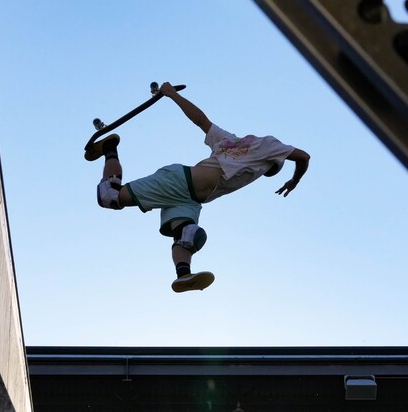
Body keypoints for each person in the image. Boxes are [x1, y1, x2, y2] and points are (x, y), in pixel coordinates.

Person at [88, 82, 310, 293]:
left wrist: (172, 95)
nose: (263, 173)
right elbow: (303, 157)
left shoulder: (229, 141)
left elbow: (201, 120)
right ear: (275, 162)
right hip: (178, 182)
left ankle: (183, 274)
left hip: (190, 198)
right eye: (269, 171)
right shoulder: (270, 147)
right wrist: (295, 180)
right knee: (110, 196)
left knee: (187, 235)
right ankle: (109, 147)